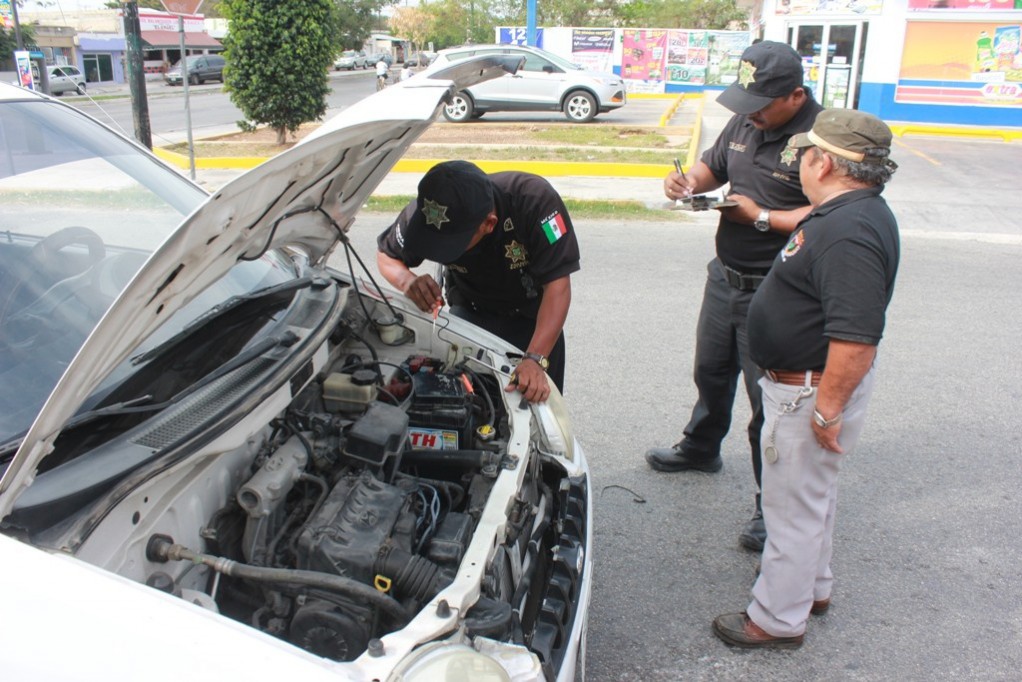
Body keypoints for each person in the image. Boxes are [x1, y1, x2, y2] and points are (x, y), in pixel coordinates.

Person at [712, 108, 900, 649]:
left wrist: (826, 407)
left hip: (809, 388)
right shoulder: (848, 212)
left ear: (822, 162)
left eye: (805, 156)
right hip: (811, 383)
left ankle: (775, 619)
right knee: (813, 497)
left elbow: (858, 334)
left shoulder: (849, 230)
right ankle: (812, 588)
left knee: (790, 508)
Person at [644, 41, 824, 552]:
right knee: (711, 370)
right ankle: (702, 447)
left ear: (795, 95)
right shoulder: (750, 119)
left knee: (770, 402)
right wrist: (684, 183)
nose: (752, 114)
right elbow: (712, 167)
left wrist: (762, 218)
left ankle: (775, 507)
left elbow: (832, 212)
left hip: (780, 290)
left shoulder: (821, 137)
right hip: (726, 276)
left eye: (762, 105)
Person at [376, 160, 580, 404]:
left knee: (536, 414)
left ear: (489, 223)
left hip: (533, 323)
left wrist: (535, 359)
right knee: (466, 406)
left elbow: (558, 286)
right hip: (469, 317)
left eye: (448, 244)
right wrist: (408, 282)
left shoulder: (534, 201)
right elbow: (387, 255)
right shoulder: (432, 210)